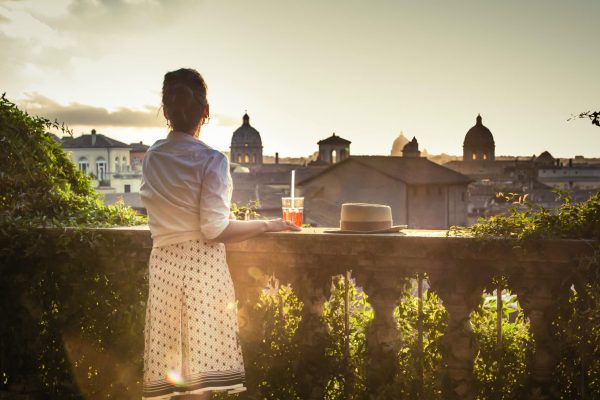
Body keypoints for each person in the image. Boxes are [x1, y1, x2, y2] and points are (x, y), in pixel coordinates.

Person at [140, 68, 300, 399]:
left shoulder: (153, 156)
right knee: (201, 377)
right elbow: (214, 228)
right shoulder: (211, 160)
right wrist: (269, 224)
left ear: (166, 111)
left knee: (173, 371)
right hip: (201, 272)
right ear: (206, 112)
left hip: (164, 269)